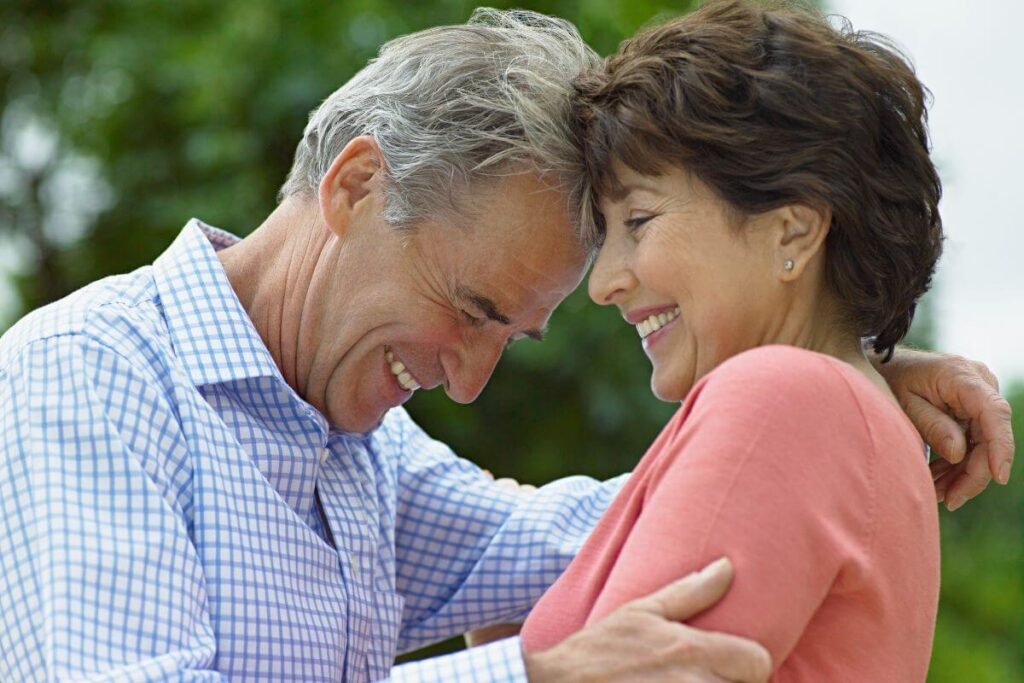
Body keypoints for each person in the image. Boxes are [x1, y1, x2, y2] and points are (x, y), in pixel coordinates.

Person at [0, 8, 1011, 683]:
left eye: (513, 336)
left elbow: (598, 533)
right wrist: (524, 674)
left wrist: (839, 370)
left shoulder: (362, 452)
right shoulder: (89, 376)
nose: (472, 383)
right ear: (356, 185)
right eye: (474, 306)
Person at [520, 2, 983, 680]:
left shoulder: (782, 398)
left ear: (793, 230)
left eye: (638, 219)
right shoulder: (830, 409)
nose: (604, 282)